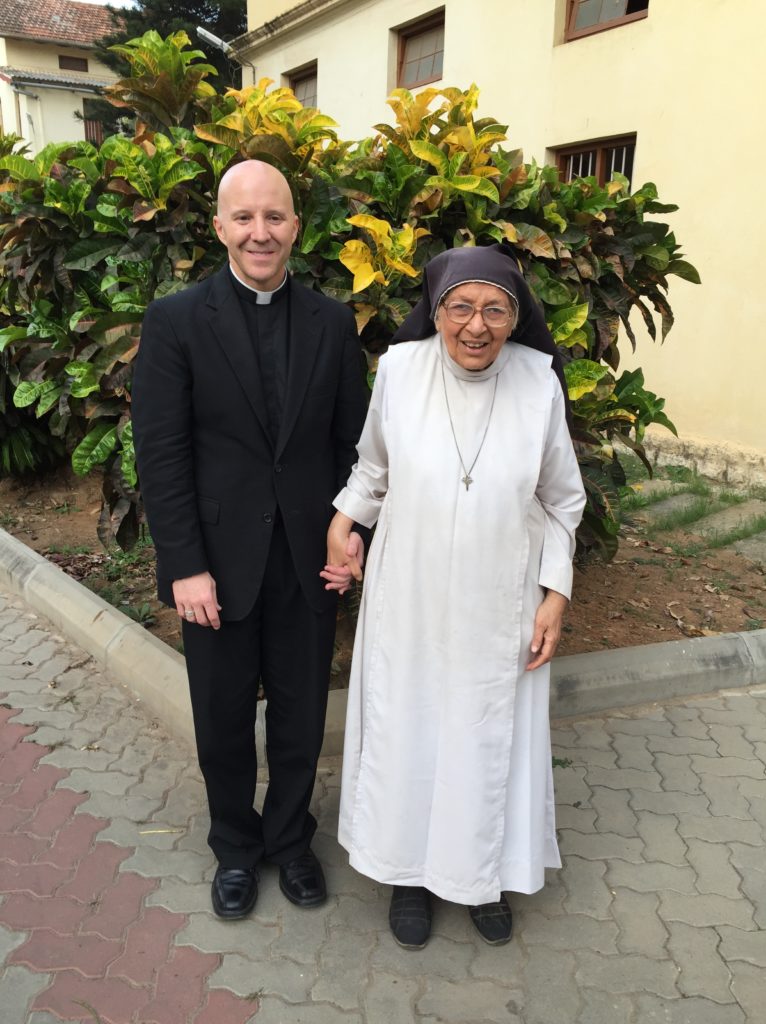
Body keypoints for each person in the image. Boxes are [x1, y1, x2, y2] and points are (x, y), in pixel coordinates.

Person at [323, 245, 586, 949]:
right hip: (406, 594)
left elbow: (563, 501)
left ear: (516, 317)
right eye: (460, 308)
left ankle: (484, 876)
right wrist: (343, 523)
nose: (477, 326)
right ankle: (408, 872)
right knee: (408, 725)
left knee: (482, 733)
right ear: (435, 312)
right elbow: (372, 469)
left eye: (495, 310)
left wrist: (555, 592)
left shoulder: (538, 382)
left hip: (499, 598)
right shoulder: (401, 371)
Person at [132, 160, 368, 919]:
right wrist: (184, 567)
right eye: (245, 217)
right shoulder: (174, 320)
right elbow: (161, 455)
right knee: (224, 715)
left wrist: (350, 532)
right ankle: (235, 847)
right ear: (220, 226)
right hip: (217, 567)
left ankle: (291, 842)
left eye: (275, 217)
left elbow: (355, 447)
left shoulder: (333, 323)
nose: (260, 232)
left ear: (297, 225)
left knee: (301, 715)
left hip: (308, 559)